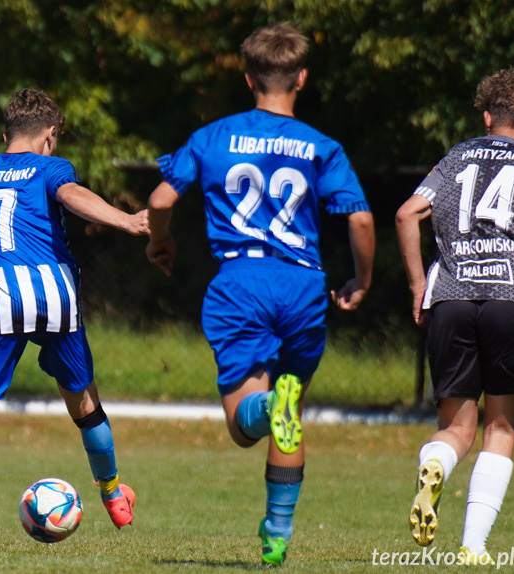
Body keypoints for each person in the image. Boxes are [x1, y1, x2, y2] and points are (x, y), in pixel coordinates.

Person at [145, 23, 375, 566]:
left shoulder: (213, 137)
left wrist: (161, 241)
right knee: (289, 404)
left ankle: (272, 403)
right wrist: (363, 280)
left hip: (240, 284)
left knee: (245, 424)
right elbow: (361, 218)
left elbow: (159, 199)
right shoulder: (322, 146)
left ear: (248, 78)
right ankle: (277, 532)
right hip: (302, 285)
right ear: (301, 77)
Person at [0, 88, 147, 555]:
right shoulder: (51, 168)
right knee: (83, 401)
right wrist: (127, 221)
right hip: (53, 295)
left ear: (5, 136)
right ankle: (113, 493)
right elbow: (73, 196)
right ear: (50, 136)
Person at [397, 68, 514, 566]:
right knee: (502, 429)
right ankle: (473, 547)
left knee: (457, 429)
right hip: (509, 300)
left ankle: (434, 464)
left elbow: (407, 214)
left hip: (449, 300)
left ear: (487, 115)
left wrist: (417, 284)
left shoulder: (456, 157)